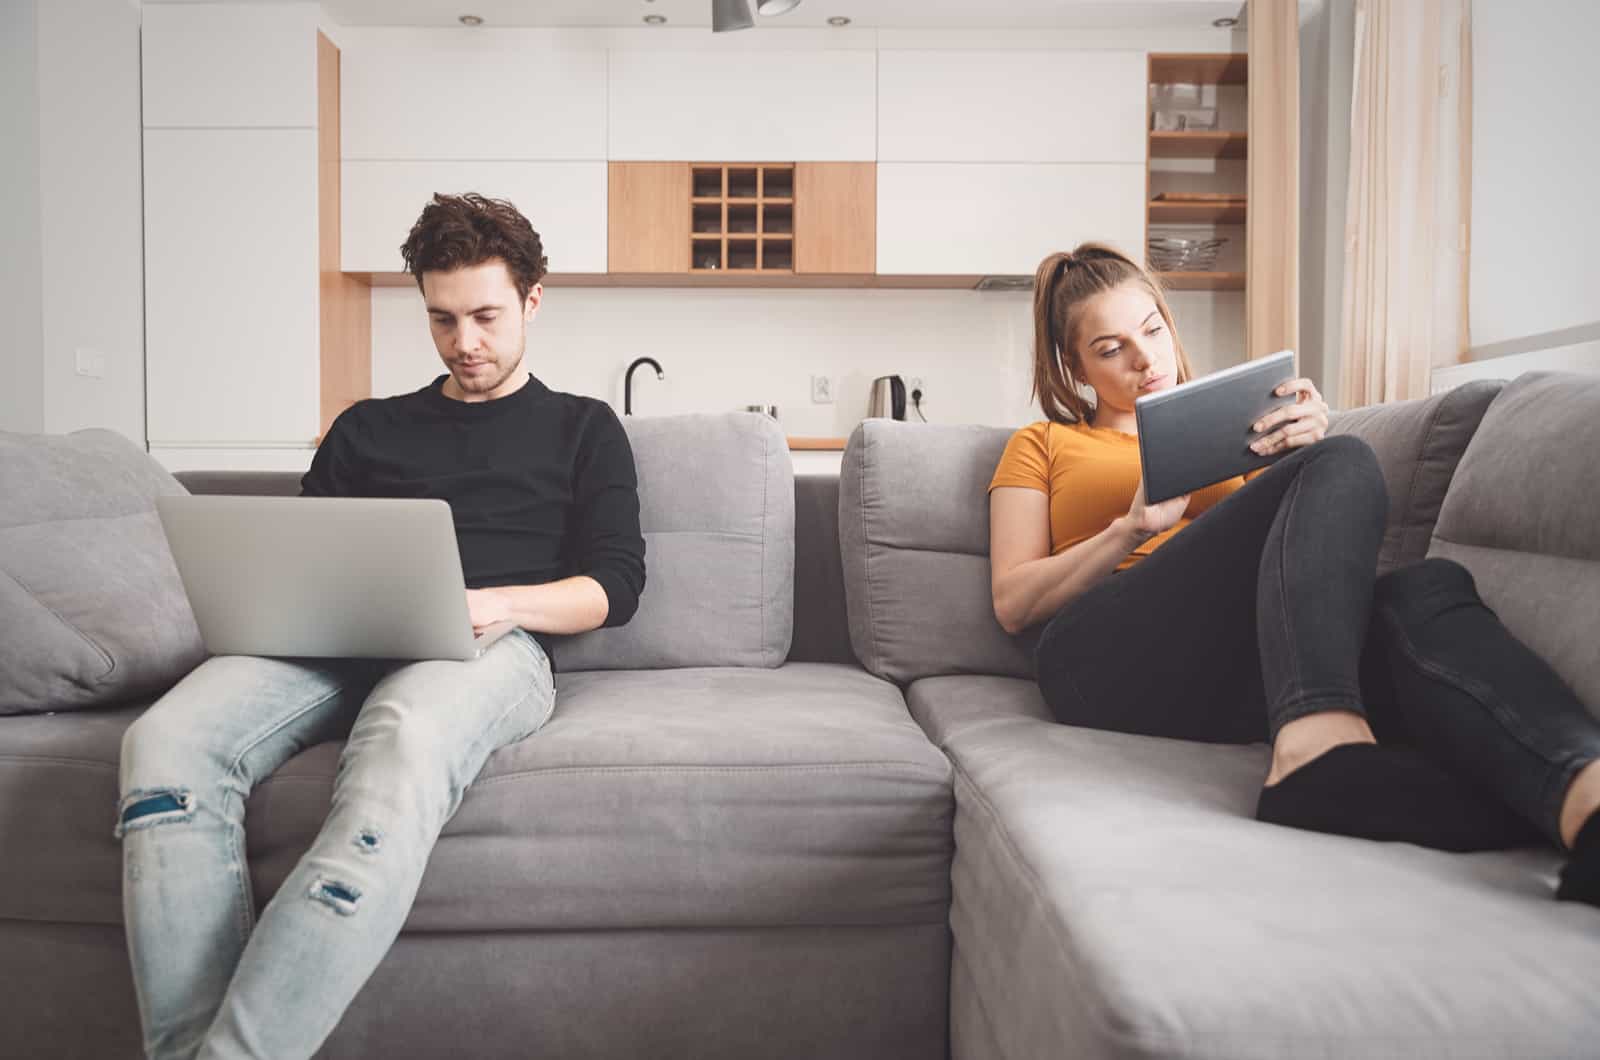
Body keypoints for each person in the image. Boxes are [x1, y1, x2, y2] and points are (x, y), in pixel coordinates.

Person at [115, 193, 646, 1059]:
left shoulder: (584, 427)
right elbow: (299, 553)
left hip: (485, 646)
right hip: (330, 643)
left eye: (485, 316)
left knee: (395, 755)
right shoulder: (366, 427)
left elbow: (615, 587)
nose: (464, 342)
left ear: (533, 299)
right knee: (166, 741)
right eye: (441, 319)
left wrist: (502, 603)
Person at [987, 241, 1600, 907]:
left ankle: (1584, 802)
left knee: (1428, 588)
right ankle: (1315, 751)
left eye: (1152, 329)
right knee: (1343, 461)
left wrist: (1301, 453)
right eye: (1109, 349)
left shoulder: (1233, 433)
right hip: (1101, 657)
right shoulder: (1042, 444)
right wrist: (1130, 528)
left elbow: (1292, 569)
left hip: (1239, 662)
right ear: (1072, 366)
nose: (1144, 359)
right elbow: (1014, 602)